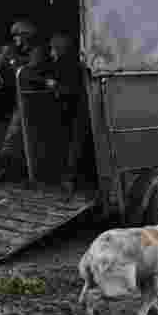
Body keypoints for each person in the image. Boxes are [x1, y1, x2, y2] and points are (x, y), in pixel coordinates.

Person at [0, 20, 43, 183]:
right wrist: (2, 57)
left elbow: (27, 74)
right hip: (24, 101)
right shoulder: (23, 52)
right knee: (18, 139)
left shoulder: (37, 52)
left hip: (33, 103)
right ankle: (14, 172)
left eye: (17, 36)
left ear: (26, 37)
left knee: (14, 138)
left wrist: (13, 62)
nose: (15, 40)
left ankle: (8, 172)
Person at [44, 32, 90, 198]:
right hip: (71, 111)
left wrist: (55, 86)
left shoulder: (68, 65)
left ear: (60, 49)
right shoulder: (65, 64)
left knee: (74, 146)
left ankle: (69, 181)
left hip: (77, 111)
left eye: (53, 49)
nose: (51, 53)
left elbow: (72, 90)